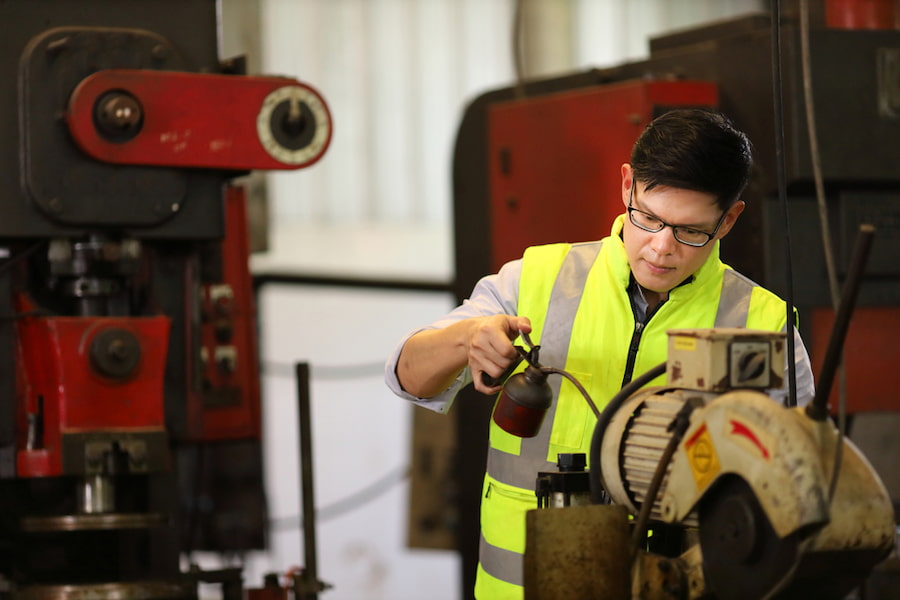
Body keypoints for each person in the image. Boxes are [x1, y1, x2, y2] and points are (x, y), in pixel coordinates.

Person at [384, 108, 815, 599]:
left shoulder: (763, 324)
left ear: (729, 219)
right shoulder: (537, 279)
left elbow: (793, 488)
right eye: (648, 219)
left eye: (690, 231)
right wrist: (468, 339)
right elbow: (406, 376)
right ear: (627, 186)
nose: (660, 249)